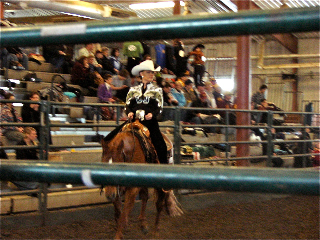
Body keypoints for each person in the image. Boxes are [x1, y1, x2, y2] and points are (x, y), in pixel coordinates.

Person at [104, 60, 168, 164]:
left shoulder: (157, 90)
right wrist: (129, 112)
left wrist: (152, 114)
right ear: (141, 74)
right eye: (148, 72)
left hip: (149, 121)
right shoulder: (133, 89)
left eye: (152, 72)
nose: (151, 74)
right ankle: (107, 158)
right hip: (134, 119)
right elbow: (128, 104)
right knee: (110, 136)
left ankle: (164, 167)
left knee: (160, 143)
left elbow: (159, 107)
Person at [11, 127, 39, 192]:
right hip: (24, 166)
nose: (36, 136)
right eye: (33, 134)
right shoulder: (20, 144)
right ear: (27, 135)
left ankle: (30, 188)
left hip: (31, 166)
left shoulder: (33, 144)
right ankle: (32, 187)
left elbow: (35, 157)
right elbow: (21, 159)